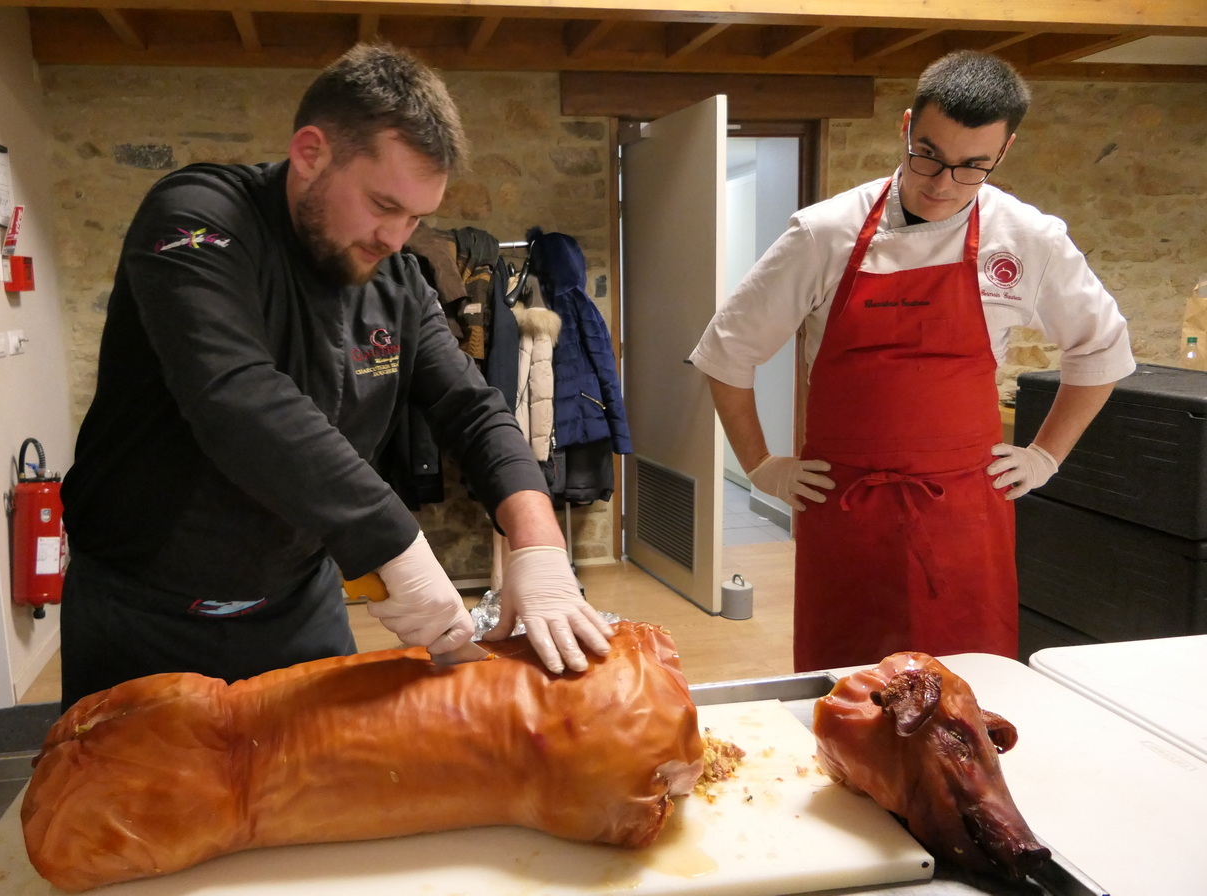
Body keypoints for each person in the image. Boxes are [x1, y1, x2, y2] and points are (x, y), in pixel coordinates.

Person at [59, 43, 612, 708]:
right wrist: (396, 544)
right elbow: (237, 396)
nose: (396, 239)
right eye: (382, 204)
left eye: (416, 218)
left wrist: (539, 543)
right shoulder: (197, 220)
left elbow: (471, 408)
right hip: (142, 612)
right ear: (310, 153)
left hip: (297, 605)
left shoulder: (396, 278)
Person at [690, 50, 1135, 672]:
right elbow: (727, 350)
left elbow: (1102, 348)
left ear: (1003, 152)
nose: (942, 184)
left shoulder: (1029, 239)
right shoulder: (824, 233)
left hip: (964, 509)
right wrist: (761, 466)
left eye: (972, 166)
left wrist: (1044, 456)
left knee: (967, 680)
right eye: (927, 155)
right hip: (845, 505)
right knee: (847, 679)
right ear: (906, 127)